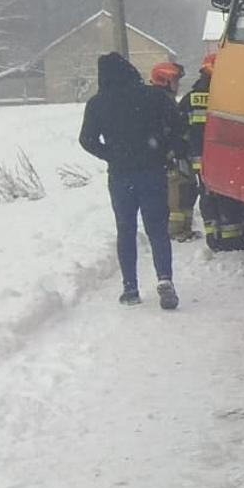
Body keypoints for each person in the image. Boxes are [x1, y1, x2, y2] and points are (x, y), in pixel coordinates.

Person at [79, 53, 188, 309]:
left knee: (125, 230)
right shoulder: (153, 96)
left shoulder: (98, 103)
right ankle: (164, 279)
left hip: (120, 176)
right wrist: (168, 152)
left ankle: (130, 288)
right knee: (157, 229)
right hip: (152, 171)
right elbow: (176, 127)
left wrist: (111, 155)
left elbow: (87, 140)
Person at [186, 54, 244, 251]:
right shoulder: (225, 93)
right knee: (227, 195)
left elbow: (184, 127)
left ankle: (213, 236)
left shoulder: (192, 96)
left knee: (208, 195)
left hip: (200, 158)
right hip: (222, 155)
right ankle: (231, 239)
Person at [150, 61, 198, 243]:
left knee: (186, 189)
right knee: (176, 193)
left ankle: (184, 227)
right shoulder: (159, 101)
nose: (178, 85)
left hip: (177, 154)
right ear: (164, 81)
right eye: (175, 81)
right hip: (169, 157)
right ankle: (175, 229)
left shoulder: (166, 100)